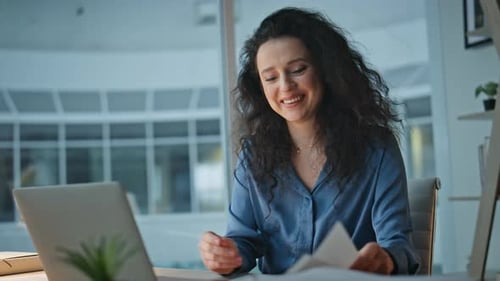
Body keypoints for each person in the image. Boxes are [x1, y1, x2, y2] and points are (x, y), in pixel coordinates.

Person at [198, 7, 420, 276]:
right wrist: (225, 253)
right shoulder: (253, 155)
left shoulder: (376, 147)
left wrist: (385, 260)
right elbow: (243, 240)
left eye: (298, 69)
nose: (285, 86)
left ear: (326, 71)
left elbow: (399, 245)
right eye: (270, 77)